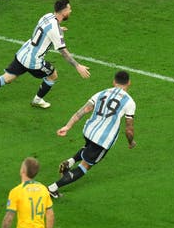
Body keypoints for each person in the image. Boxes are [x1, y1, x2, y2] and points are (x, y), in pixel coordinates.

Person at [0, 0, 90, 115]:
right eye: (69, 9)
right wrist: (78, 66)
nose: (71, 11)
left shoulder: (47, 16)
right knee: (53, 75)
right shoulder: (55, 29)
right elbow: (63, 52)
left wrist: (59, 29)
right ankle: (37, 100)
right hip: (34, 62)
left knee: (7, 78)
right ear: (63, 12)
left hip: (23, 53)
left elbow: (46, 29)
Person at [47, 71, 136, 199]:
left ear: (113, 81)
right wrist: (131, 142)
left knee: (88, 147)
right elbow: (129, 130)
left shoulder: (101, 93)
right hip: (103, 139)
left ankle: (69, 162)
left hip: (89, 131)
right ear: (129, 83)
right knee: (85, 166)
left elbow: (83, 111)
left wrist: (68, 126)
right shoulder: (129, 102)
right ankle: (52, 188)